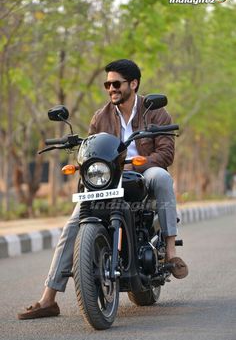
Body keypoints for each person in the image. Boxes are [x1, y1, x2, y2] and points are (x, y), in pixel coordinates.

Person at [18, 59, 188, 320]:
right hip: (109, 176)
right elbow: (89, 150)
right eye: (107, 84)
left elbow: (165, 152)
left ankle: (171, 255)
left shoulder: (155, 113)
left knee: (163, 178)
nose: (111, 88)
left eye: (116, 83)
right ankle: (48, 299)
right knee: (73, 223)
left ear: (133, 84)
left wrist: (140, 164)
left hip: (143, 172)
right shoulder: (100, 117)